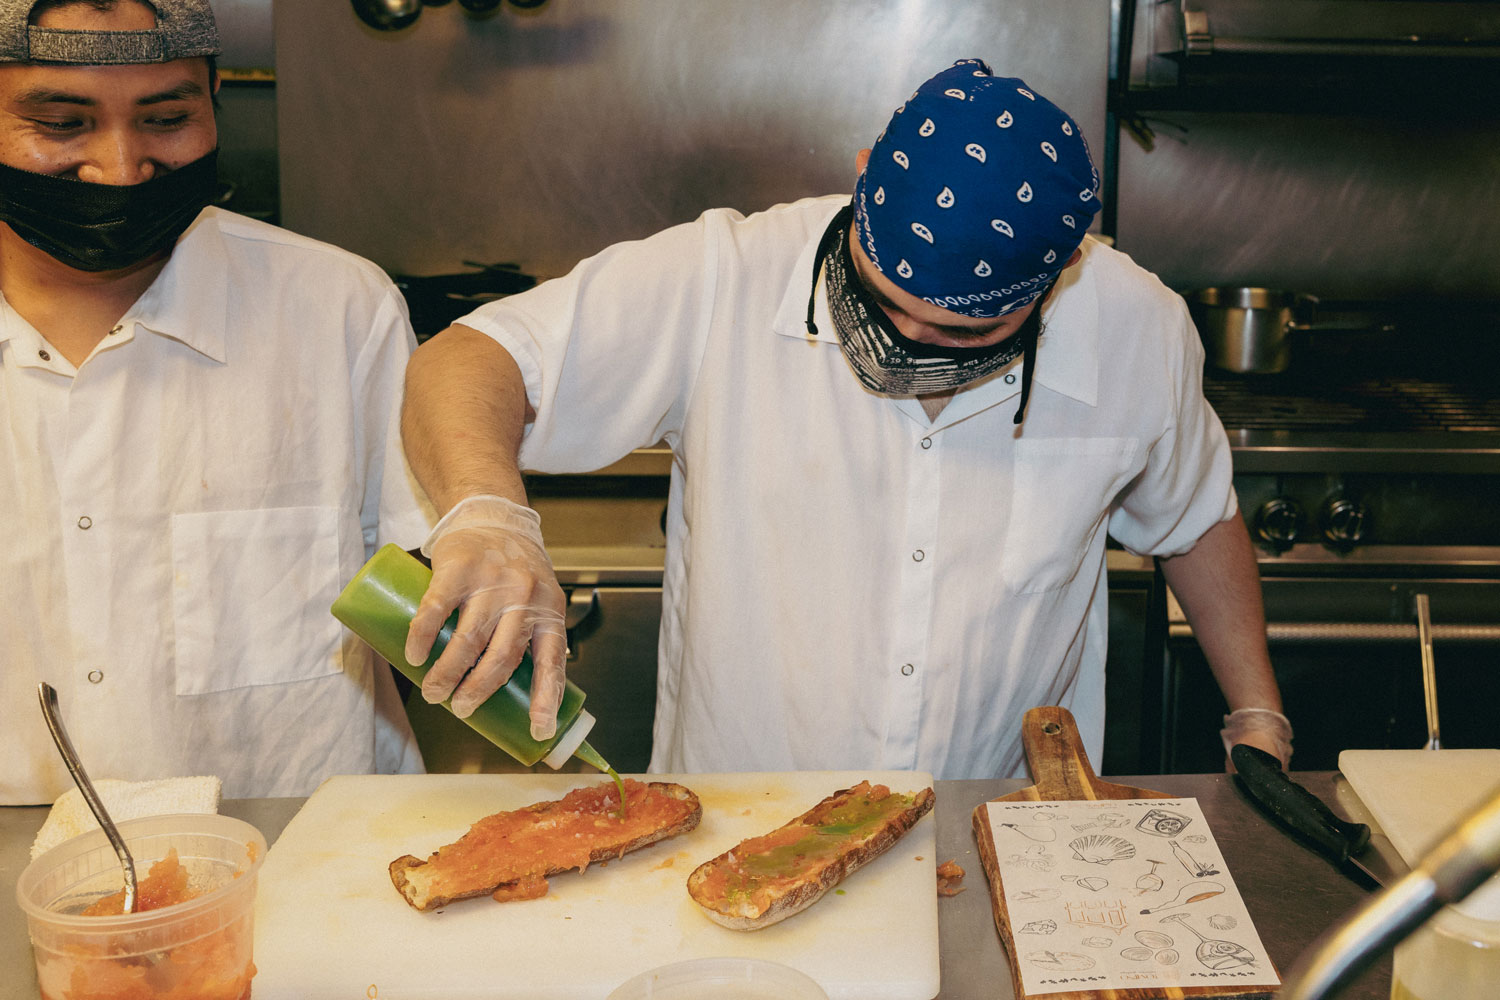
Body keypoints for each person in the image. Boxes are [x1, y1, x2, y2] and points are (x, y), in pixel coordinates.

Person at [400, 59, 1292, 779]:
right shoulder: (726, 277)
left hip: (995, 833)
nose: (903, 339)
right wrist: (487, 514)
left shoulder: (1139, 328)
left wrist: (1257, 718)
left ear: (1055, 280)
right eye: (879, 295)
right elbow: (469, 359)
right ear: (864, 181)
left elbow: (1196, 516)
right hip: (740, 826)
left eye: (955, 329)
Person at [0, 0, 433, 803]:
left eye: (166, 118)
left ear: (215, 100)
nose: (120, 166)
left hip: (304, 865)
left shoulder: (336, 309)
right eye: (62, 123)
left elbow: (421, 601)